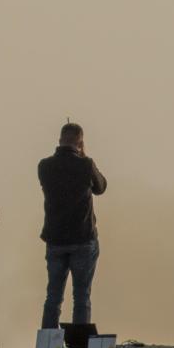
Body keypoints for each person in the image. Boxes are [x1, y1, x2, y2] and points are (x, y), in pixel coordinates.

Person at [38, 122, 108, 329]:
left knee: (53, 296)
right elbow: (101, 187)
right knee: (81, 295)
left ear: (59, 140)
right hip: (82, 238)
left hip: (55, 239)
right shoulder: (85, 165)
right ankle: (78, 343)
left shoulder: (44, 165)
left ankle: (48, 341)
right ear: (80, 142)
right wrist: (84, 157)